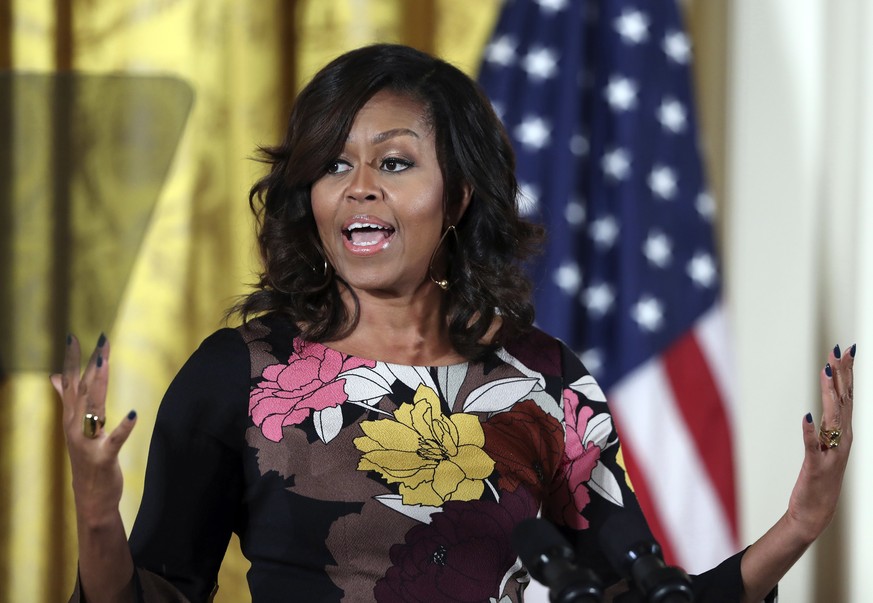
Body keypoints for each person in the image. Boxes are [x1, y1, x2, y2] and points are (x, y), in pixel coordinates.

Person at [53, 43, 855, 603]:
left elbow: (638, 592)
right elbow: (156, 593)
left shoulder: (545, 380)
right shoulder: (242, 373)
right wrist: (95, 510)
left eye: (394, 163)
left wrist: (797, 526)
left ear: (458, 197)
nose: (359, 186)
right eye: (335, 163)